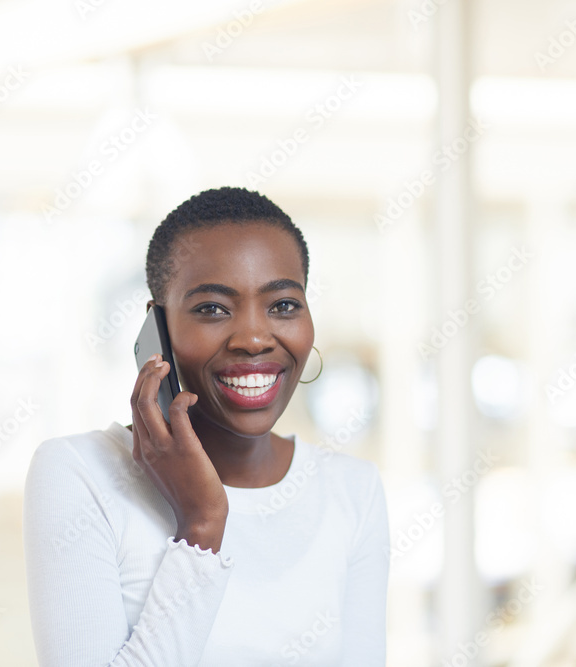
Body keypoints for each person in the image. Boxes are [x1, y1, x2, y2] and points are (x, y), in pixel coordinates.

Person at [22, 187, 390, 666]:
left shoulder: (352, 492)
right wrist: (201, 527)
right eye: (212, 308)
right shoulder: (79, 474)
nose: (255, 338)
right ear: (157, 330)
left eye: (282, 304)